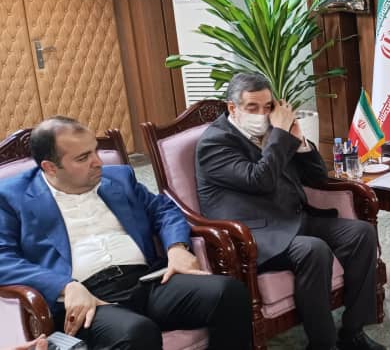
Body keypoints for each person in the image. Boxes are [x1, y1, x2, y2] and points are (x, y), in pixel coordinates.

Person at [0, 117, 252, 349]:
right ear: (50, 167)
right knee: (137, 332)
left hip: (146, 282)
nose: (98, 162)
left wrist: (177, 248)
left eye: (96, 150)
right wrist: (64, 287)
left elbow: (163, 209)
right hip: (90, 300)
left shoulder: (119, 177)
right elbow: (3, 258)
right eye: (83, 158)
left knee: (228, 292)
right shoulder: (12, 196)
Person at [195, 72, 383, 350]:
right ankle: (323, 344)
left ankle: (353, 332)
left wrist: (300, 142)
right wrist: (280, 136)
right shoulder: (215, 143)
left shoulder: (274, 132)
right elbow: (259, 180)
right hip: (255, 236)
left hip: (291, 218)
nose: (262, 114)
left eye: (267, 106)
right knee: (313, 249)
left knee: (362, 234)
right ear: (232, 108)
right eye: (252, 107)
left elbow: (317, 176)